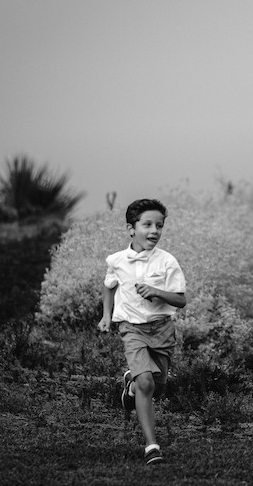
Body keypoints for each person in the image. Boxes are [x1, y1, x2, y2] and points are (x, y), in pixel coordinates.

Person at [97, 199, 187, 465]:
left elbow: (181, 300)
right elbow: (109, 285)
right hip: (131, 327)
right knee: (147, 382)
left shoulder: (167, 261)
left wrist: (157, 291)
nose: (154, 231)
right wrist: (106, 315)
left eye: (159, 225)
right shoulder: (117, 260)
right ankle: (152, 446)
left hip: (162, 329)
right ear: (130, 228)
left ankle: (132, 387)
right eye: (147, 224)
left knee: (156, 387)